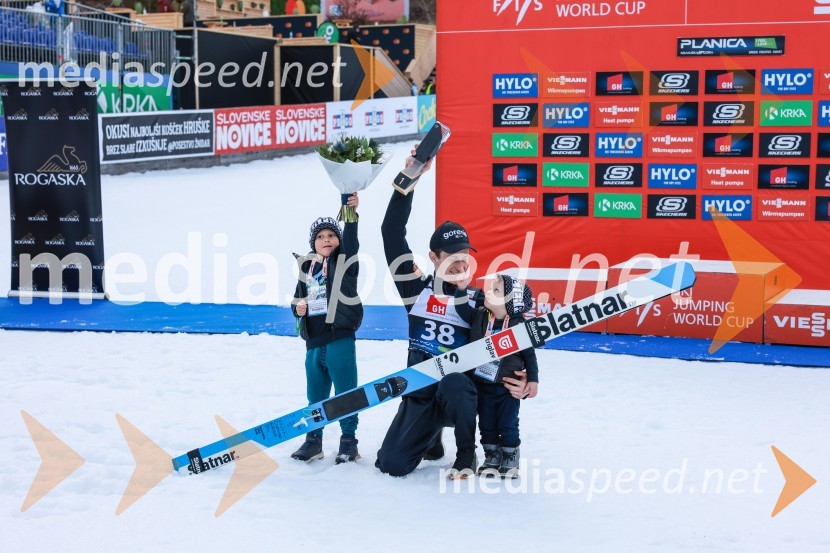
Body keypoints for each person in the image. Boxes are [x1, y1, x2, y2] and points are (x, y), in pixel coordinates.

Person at [375, 152, 529, 479]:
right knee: (391, 465)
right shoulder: (416, 290)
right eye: (452, 258)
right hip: (419, 392)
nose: (461, 265)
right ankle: (431, 439)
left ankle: (466, 454)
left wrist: (525, 376)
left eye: (465, 257)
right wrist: (410, 176)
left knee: (457, 382)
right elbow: (391, 233)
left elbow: (514, 329)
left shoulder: (479, 300)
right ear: (433, 257)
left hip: (459, 396)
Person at [290, 194, 363, 464]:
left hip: (339, 339)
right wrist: (297, 307)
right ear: (313, 243)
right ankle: (313, 440)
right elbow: (297, 297)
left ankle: (348, 441)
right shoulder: (307, 269)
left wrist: (351, 213)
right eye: (321, 236)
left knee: (346, 393)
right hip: (314, 341)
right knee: (315, 395)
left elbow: (352, 242)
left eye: (332, 235)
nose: (327, 239)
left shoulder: (344, 263)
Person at [471, 275, 538, 479]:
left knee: (508, 423)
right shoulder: (482, 316)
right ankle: (492, 457)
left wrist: (533, 379)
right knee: (486, 424)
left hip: (508, 389)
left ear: (511, 303)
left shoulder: (519, 325)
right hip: (483, 384)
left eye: (496, 291)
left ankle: (510, 458)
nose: (488, 292)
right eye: (491, 288)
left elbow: (530, 356)